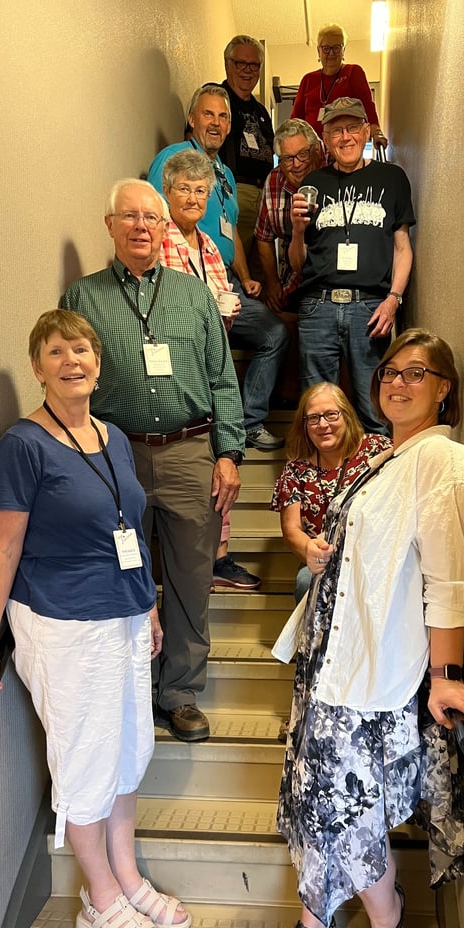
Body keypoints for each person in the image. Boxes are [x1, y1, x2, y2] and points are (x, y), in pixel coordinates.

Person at [0, 309, 190, 928]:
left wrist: (148, 605)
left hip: (124, 615)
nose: (72, 360)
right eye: (56, 351)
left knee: (129, 748)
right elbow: (1, 551)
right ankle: (101, 898)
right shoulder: (22, 447)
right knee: (87, 755)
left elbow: (129, 528)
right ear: (38, 368)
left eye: (82, 349)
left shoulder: (112, 437)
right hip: (62, 622)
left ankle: (127, 874)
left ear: (98, 362)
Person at [263, 329, 464, 928]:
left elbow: (448, 579)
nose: (398, 382)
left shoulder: (439, 459)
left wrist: (445, 677)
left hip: (372, 673)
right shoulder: (384, 457)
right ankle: (315, 921)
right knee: (309, 798)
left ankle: (387, 924)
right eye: (390, 371)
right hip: (327, 659)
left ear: (444, 389)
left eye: (417, 372)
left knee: (351, 811)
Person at [61, 179, 245, 743]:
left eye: (151, 218)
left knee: (191, 577)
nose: (141, 226)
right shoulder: (82, 298)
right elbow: (71, 379)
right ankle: (131, 688)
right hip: (115, 456)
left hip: (191, 452)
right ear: (110, 225)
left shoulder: (194, 295)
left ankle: (180, 692)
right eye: (129, 216)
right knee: (121, 574)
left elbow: (222, 377)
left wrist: (229, 453)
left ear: (165, 228)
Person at [148, 86, 288, 452]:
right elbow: (153, 214)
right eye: (208, 114)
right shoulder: (174, 157)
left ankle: (248, 423)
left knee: (274, 333)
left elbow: (232, 231)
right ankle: (212, 430)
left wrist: (246, 277)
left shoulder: (224, 173)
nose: (216, 122)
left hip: (222, 281)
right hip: (182, 282)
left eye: (223, 116)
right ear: (192, 119)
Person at [158, 148, 261, 591]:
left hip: (210, 362)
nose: (193, 198)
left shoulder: (209, 246)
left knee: (224, 457)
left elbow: (218, 302)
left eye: (201, 191)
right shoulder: (158, 238)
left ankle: (219, 554)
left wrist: (227, 312)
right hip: (174, 370)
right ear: (167, 191)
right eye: (185, 189)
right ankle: (196, 557)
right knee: (195, 466)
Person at [289, 96, 415, 435]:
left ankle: (374, 470)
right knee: (318, 413)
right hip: (318, 307)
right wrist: (297, 231)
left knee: (376, 410)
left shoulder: (392, 178)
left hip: (371, 309)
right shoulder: (312, 184)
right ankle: (325, 471)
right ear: (325, 139)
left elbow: (402, 248)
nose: (345, 137)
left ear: (366, 131)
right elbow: (298, 264)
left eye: (352, 128)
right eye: (335, 131)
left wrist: (393, 300)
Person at [271, 382, 390, 602]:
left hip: (373, 553)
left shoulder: (378, 450)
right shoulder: (295, 469)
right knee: (306, 581)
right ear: (304, 425)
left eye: (331, 415)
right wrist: (309, 548)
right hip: (324, 557)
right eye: (313, 418)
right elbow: (291, 530)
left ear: (347, 415)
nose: (323, 424)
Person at [216, 35, 275, 272]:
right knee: (233, 267)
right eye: (241, 63)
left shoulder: (261, 111)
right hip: (233, 191)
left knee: (260, 271)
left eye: (254, 65)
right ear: (227, 64)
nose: (247, 71)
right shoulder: (217, 98)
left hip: (265, 196)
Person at [255, 118, 325, 314]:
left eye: (303, 154)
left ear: (316, 150)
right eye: (288, 158)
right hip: (295, 275)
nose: (297, 164)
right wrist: (272, 283)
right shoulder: (274, 180)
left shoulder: (333, 167)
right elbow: (263, 236)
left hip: (330, 277)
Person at [291, 23, 387, 148]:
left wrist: (376, 133)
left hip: (344, 146)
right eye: (326, 48)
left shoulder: (353, 72)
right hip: (313, 149)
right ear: (318, 51)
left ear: (343, 50)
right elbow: (296, 119)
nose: (331, 53)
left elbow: (367, 106)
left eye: (336, 47)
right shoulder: (308, 79)